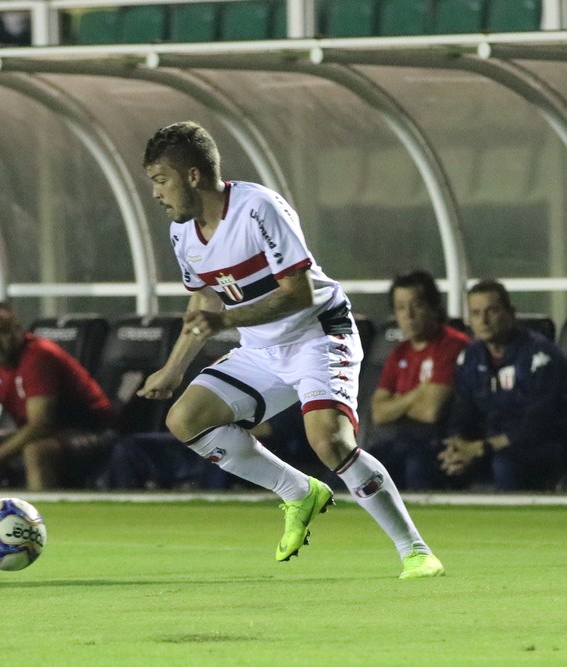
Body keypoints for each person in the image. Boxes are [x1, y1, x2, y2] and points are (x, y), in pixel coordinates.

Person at [136, 121, 443, 578]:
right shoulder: (183, 234)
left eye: (161, 181)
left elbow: (298, 293)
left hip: (318, 335)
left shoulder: (258, 207)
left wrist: (227, 319)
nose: (157, 194)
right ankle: (299, 492)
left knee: (331, 441)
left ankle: (415, 551)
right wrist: (173, 368)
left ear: (193, 176)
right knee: (185, 419)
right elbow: (203, 301)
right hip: (261, 348)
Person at [0, 302, 115, 491]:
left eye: (2, 333)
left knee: (36, 451)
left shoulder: (38, 356)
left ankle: (41, 518)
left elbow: (41, 424)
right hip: (50, 432)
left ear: (18, 330)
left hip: (92, 431)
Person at [439, 279, 567, 490]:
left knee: (505, 463)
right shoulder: (470, 357)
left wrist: (482, 448)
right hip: (486, 446)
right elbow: (462, 412)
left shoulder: (540, 356)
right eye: (476, 313)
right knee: (425, 460)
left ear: (511, 313)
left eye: (492, 311)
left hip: (540, 448)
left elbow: (538, 425)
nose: (484, 321)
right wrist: (456, 446)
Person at [367, 271, 471, 489]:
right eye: (401, 308)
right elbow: (378, 413)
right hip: (401, 441)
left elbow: (431, 411)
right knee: (359, 468)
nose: (409, 315)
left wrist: (397, 402)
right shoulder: (399, 353)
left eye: (417, 306)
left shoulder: (452, 345)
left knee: (416, 466)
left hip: (439, 443)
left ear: (434, 307)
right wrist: (418, 393)